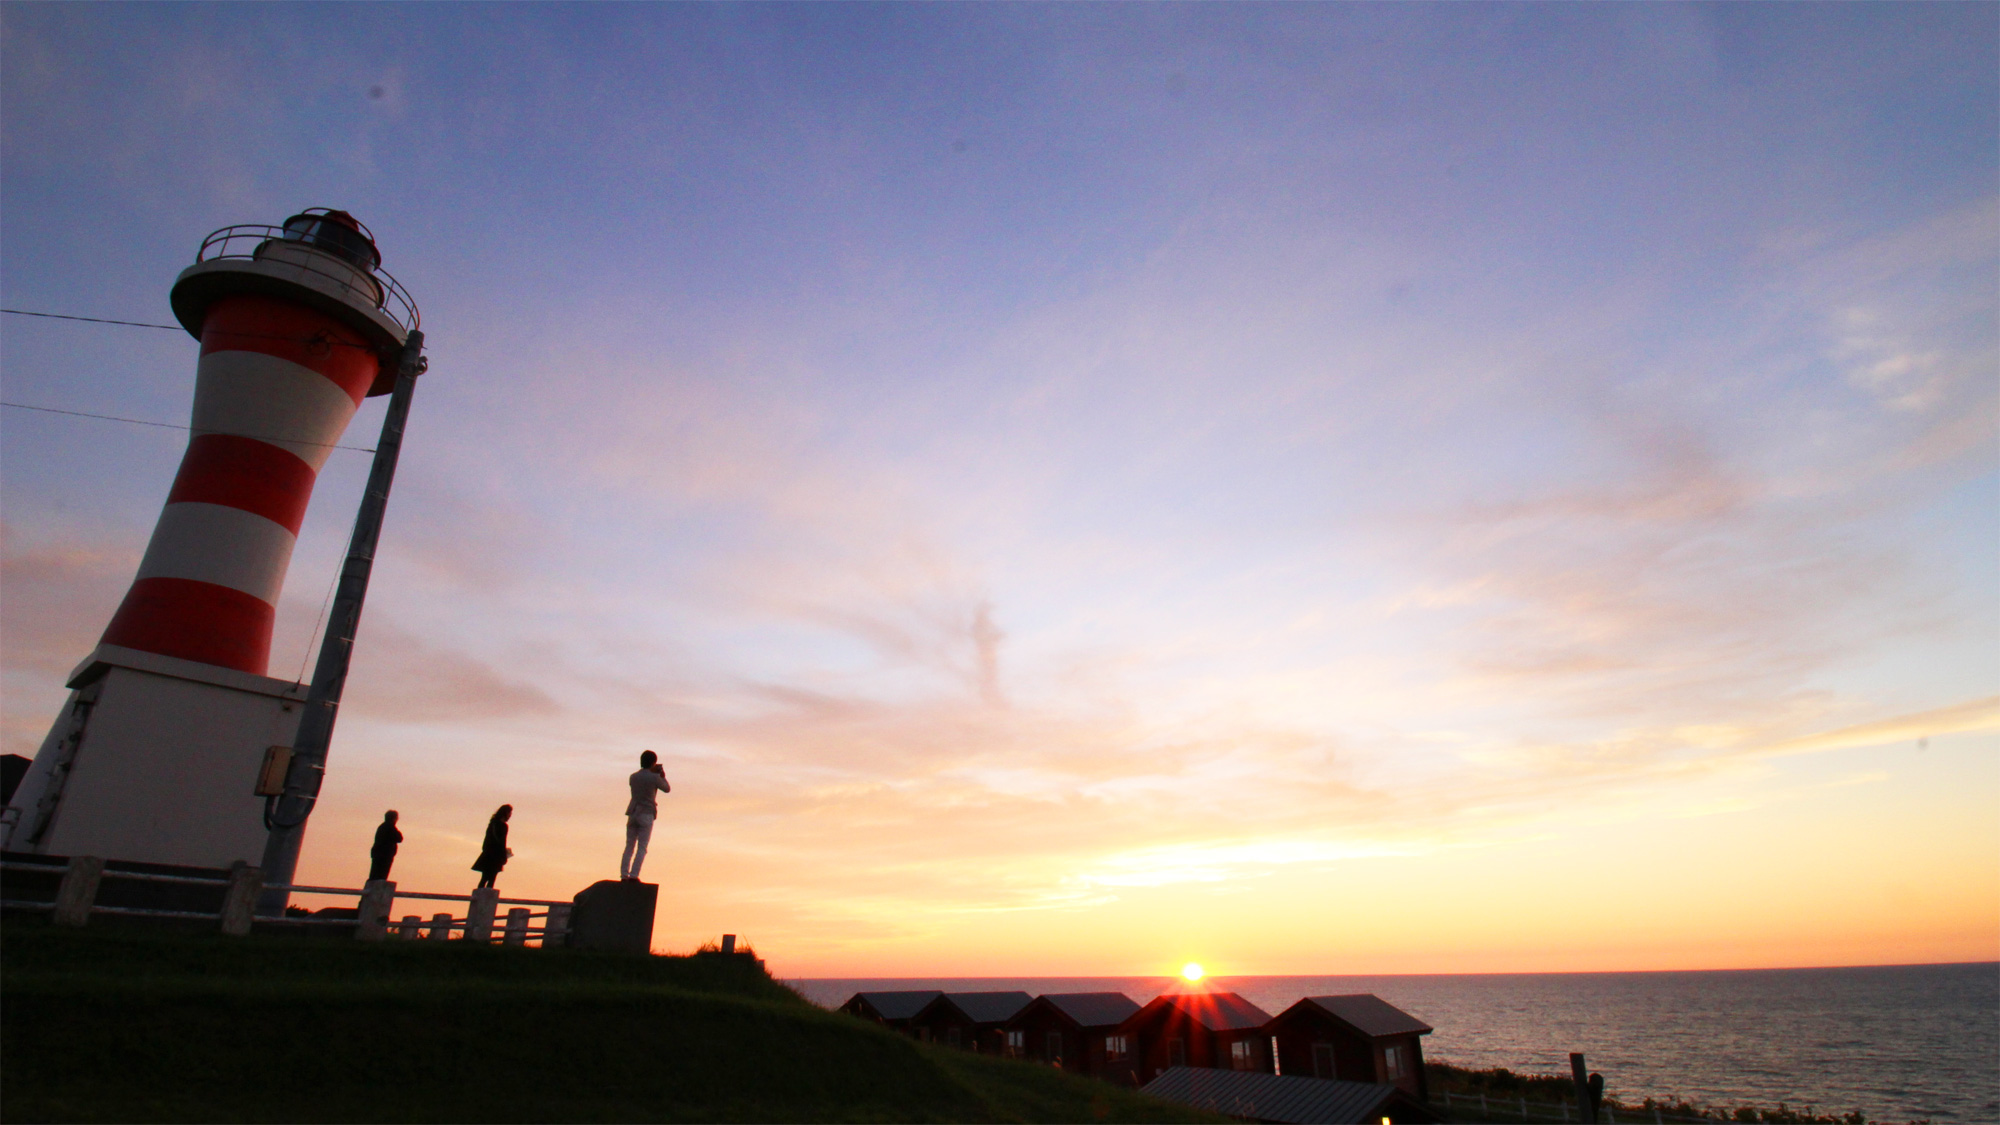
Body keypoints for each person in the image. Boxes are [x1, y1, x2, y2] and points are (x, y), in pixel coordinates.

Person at [621, 750, 671, 881]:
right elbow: (667, 789)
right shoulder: (654, 777)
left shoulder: (633, 777)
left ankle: (624, 874)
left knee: (629, 845)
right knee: (642, 847)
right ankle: (634, 875)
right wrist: (661, 776)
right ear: (653, 762)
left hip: (633, 812)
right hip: (646, 813)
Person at [472, 804, 512, 890]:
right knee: (492, 879)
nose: (510, 816)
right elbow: (502, 842)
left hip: (487, 854)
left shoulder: (492, 823)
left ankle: (479, 897)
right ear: (505, 813)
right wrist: (503, 856)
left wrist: (486, 851)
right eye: (509, 813)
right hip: (496, 856)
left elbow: (486, 841)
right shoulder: (503, 826)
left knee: (484, 878)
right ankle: (486, 898)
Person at [367, 810, 402, 882]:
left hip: (378, 854)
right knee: (381, 876)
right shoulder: (390, 827)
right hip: (385, 855)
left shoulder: (382, 827)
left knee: (375, 875)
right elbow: (399, 838)